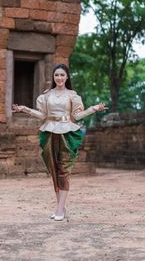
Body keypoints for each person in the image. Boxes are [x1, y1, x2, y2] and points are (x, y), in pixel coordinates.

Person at [12, 63, 107, 221]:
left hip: (67, 132)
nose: (59, 78)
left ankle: (59, 210)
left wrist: (93, 109)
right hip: (49, 132)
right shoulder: (46, 96)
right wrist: (25, 109)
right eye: (57, 75)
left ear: (67, 77)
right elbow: (42, 116)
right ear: (53, 77)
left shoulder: (72, 95)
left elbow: (76, 116)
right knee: (54, 170)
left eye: (62, 75)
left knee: (64, 170)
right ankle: (60, 207)